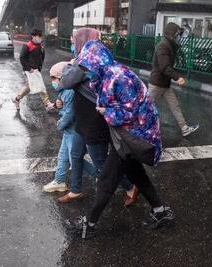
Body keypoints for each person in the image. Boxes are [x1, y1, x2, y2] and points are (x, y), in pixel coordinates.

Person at [64, 40, 174, 238]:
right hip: (126, 134)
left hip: (135, 134)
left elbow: (131, 112)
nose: (85, 71)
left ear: (97, 62)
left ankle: (89, 224)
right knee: (135, 173)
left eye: (86, 67)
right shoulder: (104, 75)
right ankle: (161, 211)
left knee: (107, 179)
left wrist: (106, 111)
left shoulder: (119, 77)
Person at [58, 28, 138, 207]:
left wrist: (70, 65)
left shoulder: (88, 61)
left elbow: (66, 81)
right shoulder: (84, 60)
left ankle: (130, 186)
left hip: (94, 120)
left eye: (73, 42)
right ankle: (75, 189)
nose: (72, 45)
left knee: (101, 163)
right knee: (76, 154)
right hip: (83, 118)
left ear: (83, 41)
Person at [42, 61, 98, 192]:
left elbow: (69, 113)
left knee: (75, 160)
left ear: (63, 77)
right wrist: (57, 105)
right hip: (70, 131)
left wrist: (60, 124)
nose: (53, 81)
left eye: (54, 78)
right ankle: (59, 180)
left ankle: (101, 176)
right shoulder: (64, 90)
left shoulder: (69, 91)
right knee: (63, 157)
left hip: (74, 131)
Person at [149, 22, 199, 137]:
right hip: (157, 84)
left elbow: (167, 67)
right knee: (147, 107)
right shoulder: (163, 46)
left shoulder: (169, 45)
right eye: (177, 34)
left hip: (164, 83)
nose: (179, 37)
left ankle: (184, 128)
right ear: (171, 35)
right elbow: (164, 67)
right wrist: (177, 77)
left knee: (175, 105)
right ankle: (136, 128)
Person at [12, 28, 54, 110]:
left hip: (36, 70)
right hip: (31, 70)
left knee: (28, 87)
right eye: (38, 36)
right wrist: (28, 68)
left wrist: (39, 67)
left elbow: (41, 57)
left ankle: (16, 99)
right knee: (41, 86)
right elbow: (22, 58)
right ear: (33, 36)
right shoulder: (28, 46)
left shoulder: (40, 46)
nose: (40, 38)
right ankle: (47, 104)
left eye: (40, 36)